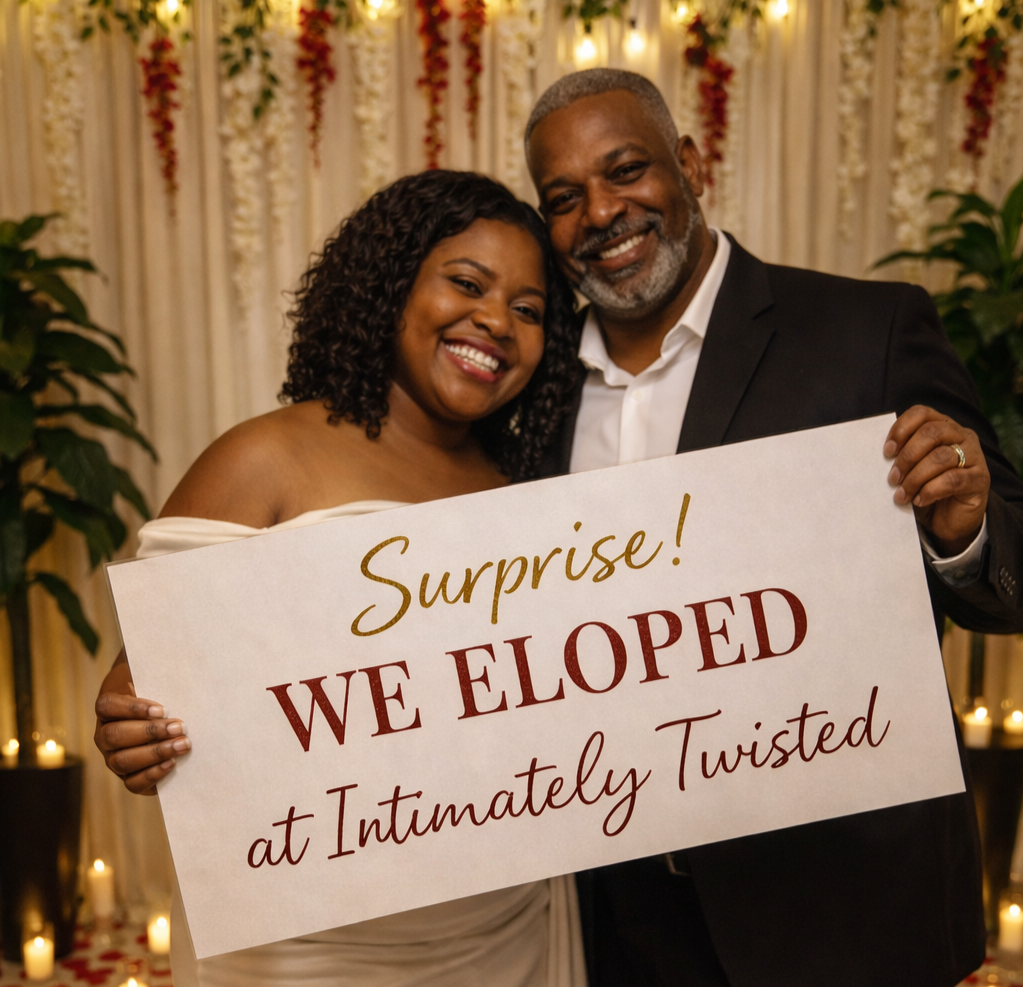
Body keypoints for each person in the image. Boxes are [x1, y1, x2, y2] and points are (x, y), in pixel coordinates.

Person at [524, 67, 1023, 987]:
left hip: (849, 912)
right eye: (563, 198)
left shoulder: (866, 329)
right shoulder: (529, 385)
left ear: (688, 163)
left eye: (625, 170)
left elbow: (1009, 581)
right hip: (621, 920)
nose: (599, 211)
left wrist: (964, 527)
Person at [92, 170, 588, 987]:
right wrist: (134, 732)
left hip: (500, 930)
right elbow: (139, 683)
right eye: (467, 284)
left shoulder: (525, 494)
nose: (497, 321)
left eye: (529, 310)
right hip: (305, 942)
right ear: (392, 287)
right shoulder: (264, 458)